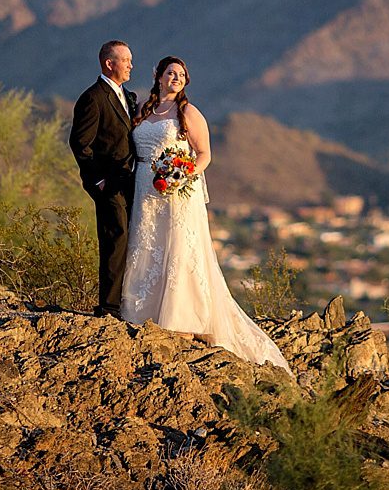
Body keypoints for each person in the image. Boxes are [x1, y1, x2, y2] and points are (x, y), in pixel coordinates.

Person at [121, 55, 292, 374]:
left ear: (185, 82)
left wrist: (181, 176)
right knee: (146, 245)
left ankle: (182, 317)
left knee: (178, 250)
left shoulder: (187, 113)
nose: (175, 78)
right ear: (158, 76)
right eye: (170, 73)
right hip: (144, 185)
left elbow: (204, 154)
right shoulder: (144, 109)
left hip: (176, 193)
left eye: (181, 75)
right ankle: (140, 311)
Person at [68, 40, 139, 318]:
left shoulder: (127, 96)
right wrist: (97, 180)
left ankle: (127, 302)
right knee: (114, 241)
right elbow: (80, 143)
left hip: (132, 182)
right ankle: (108, 308)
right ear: (110, 64)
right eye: (126, 60)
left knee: (129, 240)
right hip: (109, 185)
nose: (131, 65)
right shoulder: (93, 98)